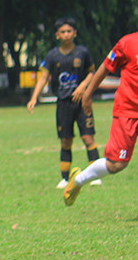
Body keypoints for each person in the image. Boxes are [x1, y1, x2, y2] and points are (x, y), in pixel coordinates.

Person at [63, 28, 138, 205]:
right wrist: (88, 94)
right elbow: (105, 66)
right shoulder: (127, 43)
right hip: (128, 110)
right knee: (116, 164)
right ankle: (78, 180)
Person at [27, 17, 99, 188]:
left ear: (75, 33)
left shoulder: (83, 52)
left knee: (88, 138)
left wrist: (83, 86)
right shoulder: (53, 55)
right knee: (66, 141)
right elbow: (43, 76)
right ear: (57, 35)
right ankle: (65, 178)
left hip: (82, 103)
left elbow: (92, 72)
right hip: (63, 104)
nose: (66, 34)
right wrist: (34, 97)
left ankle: (95, 175)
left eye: (69, 31)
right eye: (63, 32)